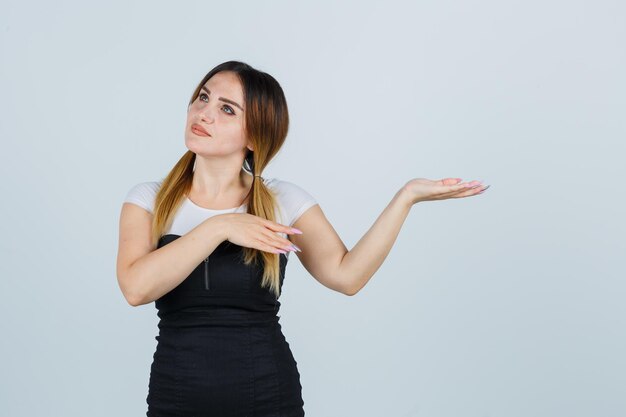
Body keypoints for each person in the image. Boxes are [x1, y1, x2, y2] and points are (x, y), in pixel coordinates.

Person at [116, 60, 490, 417]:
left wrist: (405, 197)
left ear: (255, 135)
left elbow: (347, 276)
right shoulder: (148, 200)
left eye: (227, 109)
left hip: (267, 396)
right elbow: (136, 288)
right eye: (203, 97)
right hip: (177, 397)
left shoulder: (283, 199)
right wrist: (221, 227)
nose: (205, 113)